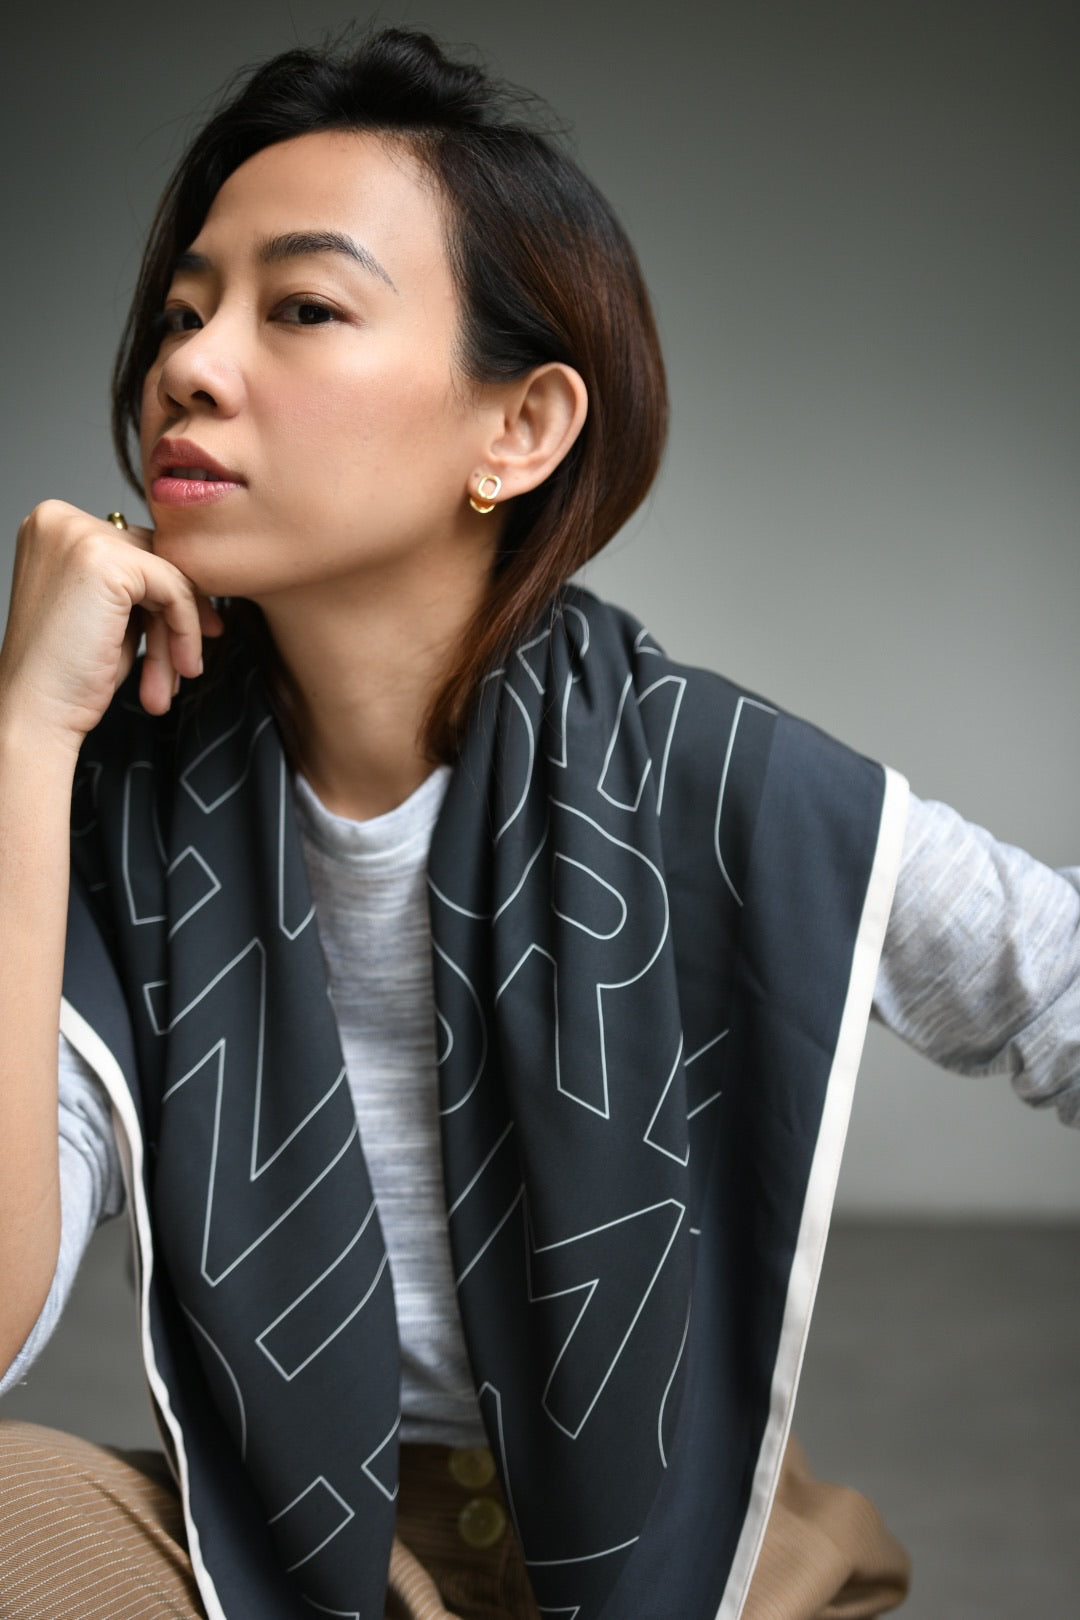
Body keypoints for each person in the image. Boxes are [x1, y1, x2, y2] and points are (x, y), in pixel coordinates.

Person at [0, 25, 1075, 1620]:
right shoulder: (118, 805)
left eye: (301, 307)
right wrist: (26, 738)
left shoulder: (702, 774)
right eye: (182, 309)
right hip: (302, 1555)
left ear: (519, 429)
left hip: (702, 1570)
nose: (191, 366)